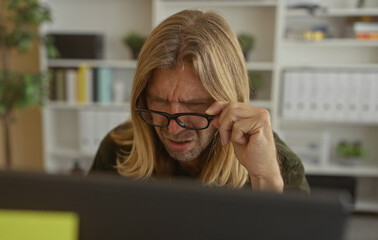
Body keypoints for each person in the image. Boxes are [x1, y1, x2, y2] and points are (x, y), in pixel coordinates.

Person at [89, 10, 309, 193]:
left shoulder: (279, 167)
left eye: (195, 106)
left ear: (230, 100)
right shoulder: (118, 150)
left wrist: (265, 180)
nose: (173, 129)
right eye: (159, 102)